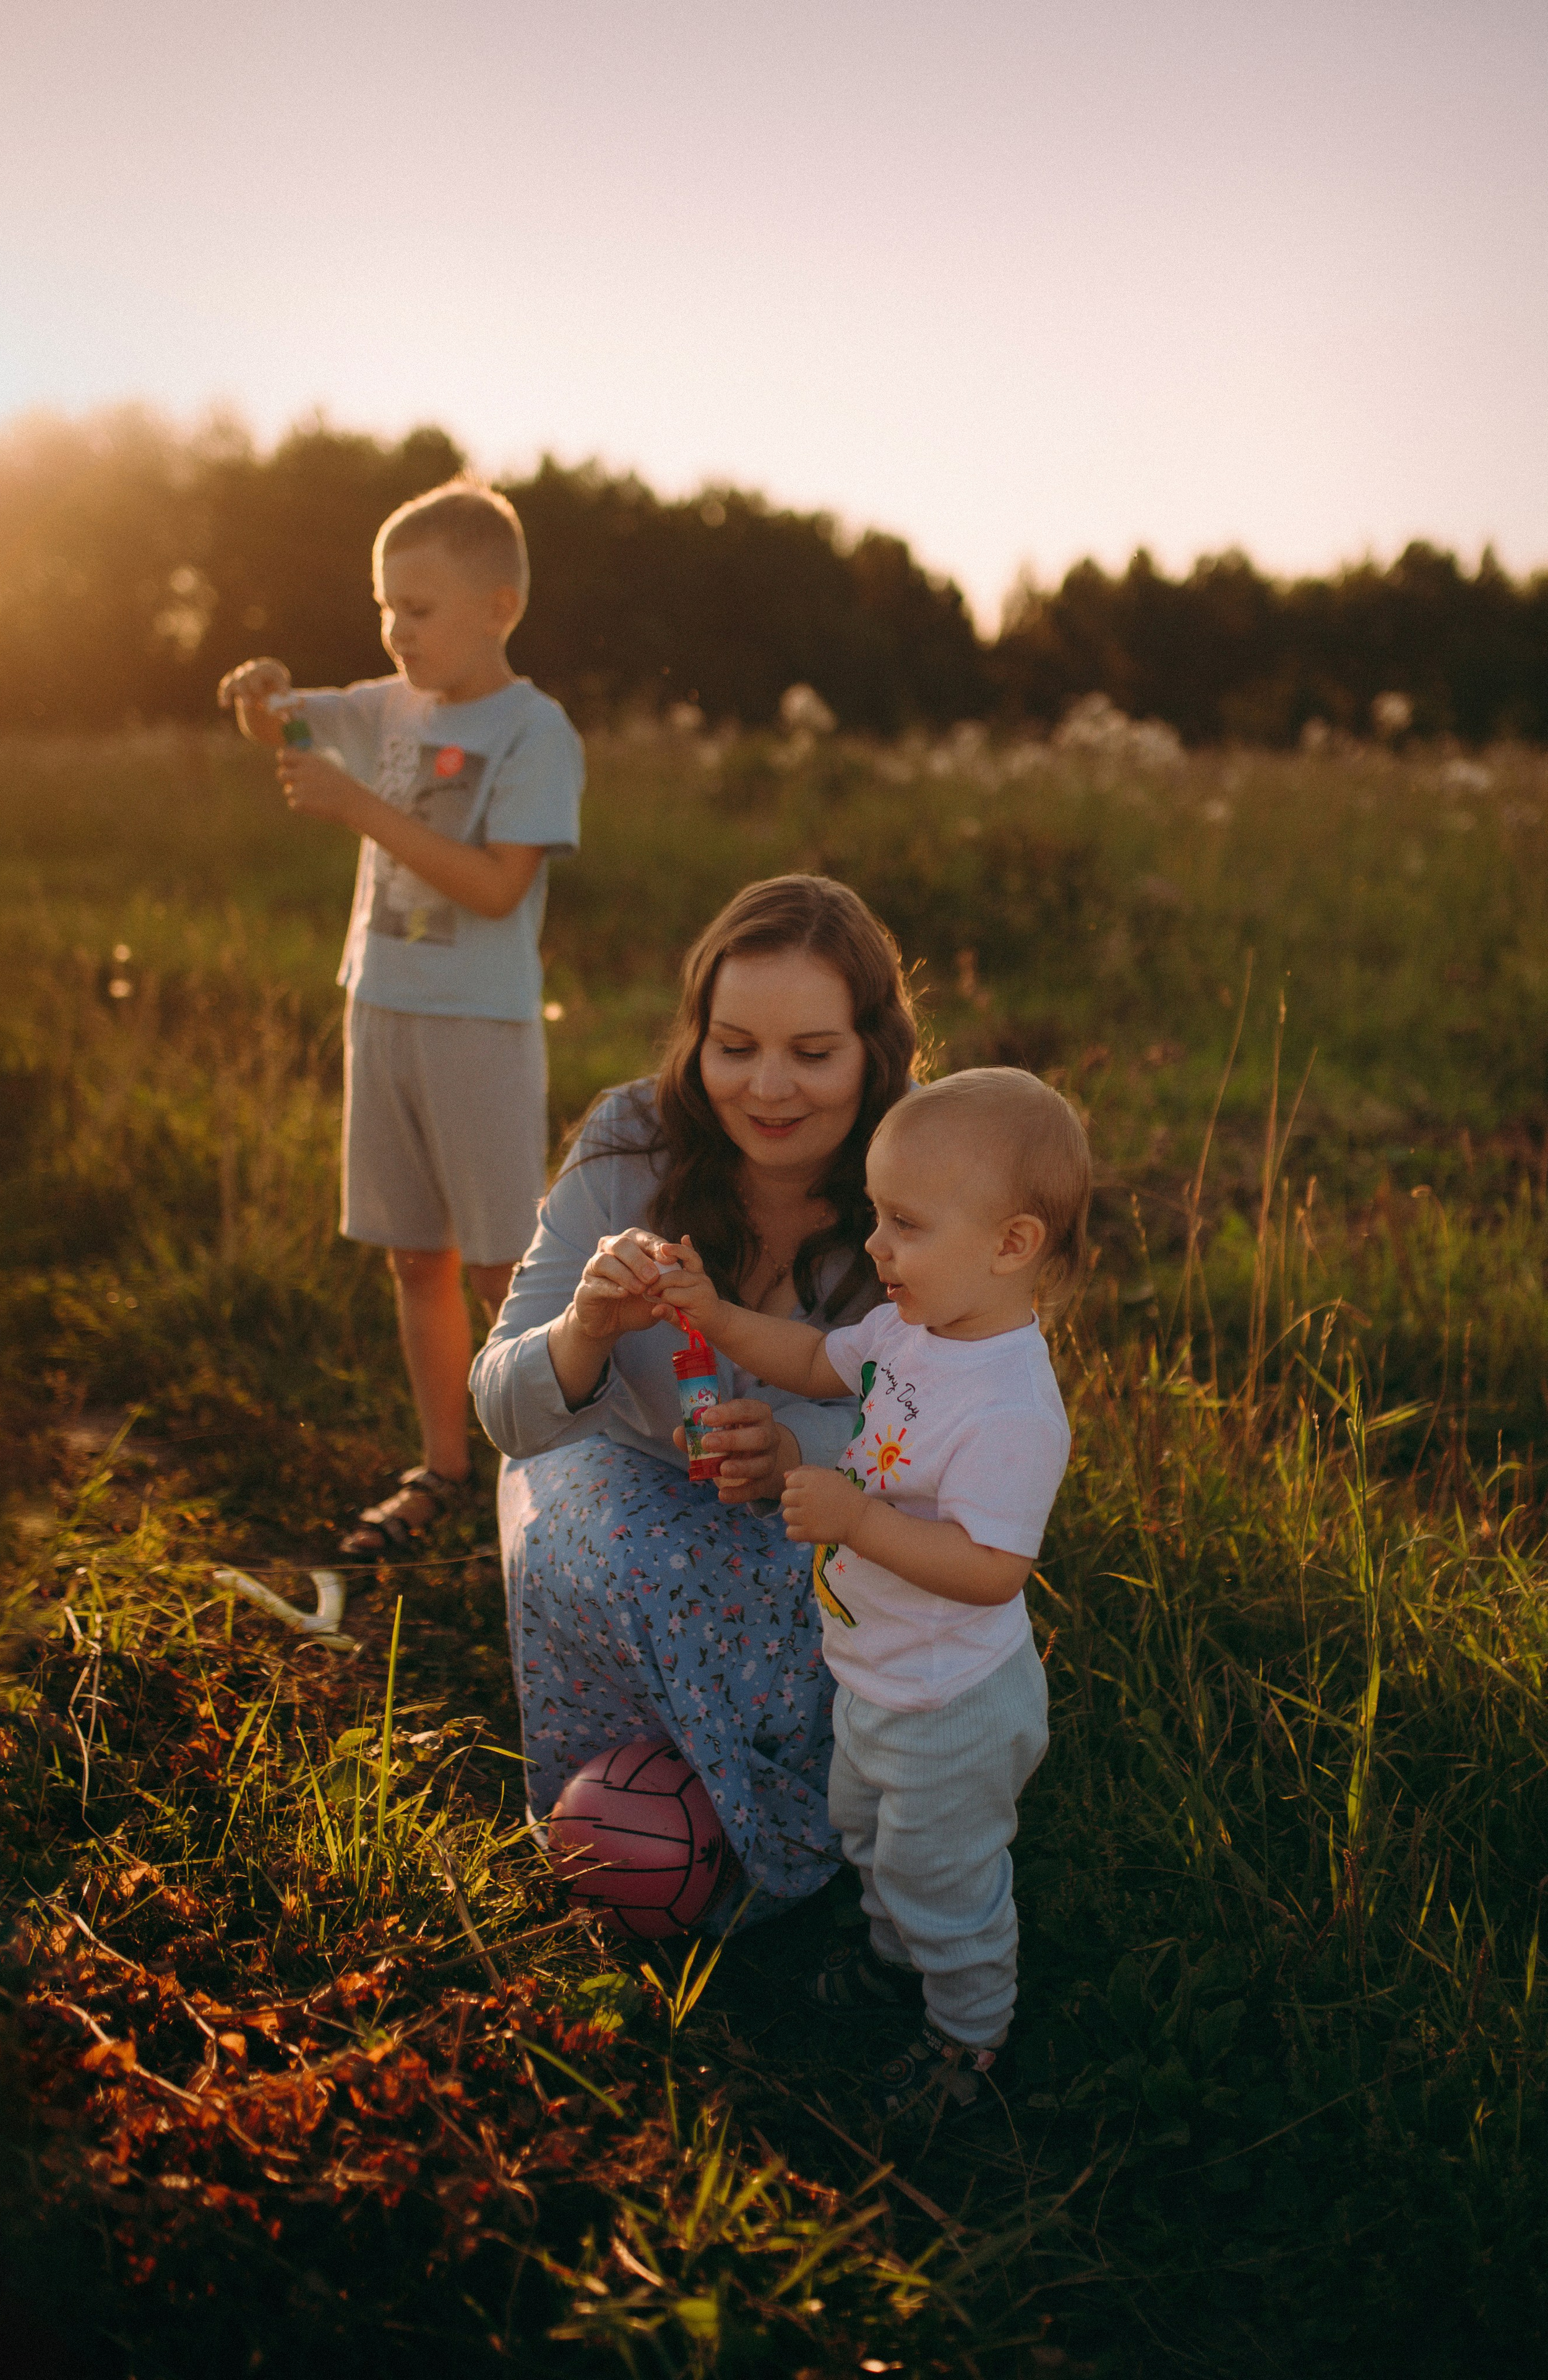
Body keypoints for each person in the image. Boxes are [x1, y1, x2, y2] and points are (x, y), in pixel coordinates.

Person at [634, 1066, 1091, 2120]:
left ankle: (970, 2040)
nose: (876, 1247)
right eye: (878, 1218)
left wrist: (861, 1521)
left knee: (946, 1879)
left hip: (955, 1702)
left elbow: (995, 1571)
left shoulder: (1014, 1407)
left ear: (1010, 1245)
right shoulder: (908, 1330)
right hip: (879, 1675)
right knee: (872, 1838)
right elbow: (806, 1359)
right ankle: (894, 1961)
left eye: (906, 1225)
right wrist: (717, 1312)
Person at [470, 875, 921, 1918]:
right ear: (696, 1041)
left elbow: (955, 1404)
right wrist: (583, 1332)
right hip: (619, 1491)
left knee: (849, 1602)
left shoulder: (917, 1179)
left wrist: (801, 1447)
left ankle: (777, 1854)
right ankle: (633, 1818)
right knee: (615, 1551)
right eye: (735, 1046)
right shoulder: (630, 1143)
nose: (768, 1089)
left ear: (875, 1051)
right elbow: (504, 1408)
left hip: (826, 1513)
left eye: (813, 1053)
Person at [217, 479, 583, 1557]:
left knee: (495, 1264)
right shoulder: (384, 704)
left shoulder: (534, 730)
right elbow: (280, 724)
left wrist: (359, 808)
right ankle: (443, 1463)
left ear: (500, 606)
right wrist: (259, 694)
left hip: (478, 1027)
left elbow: (497, 887)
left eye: (420, 608)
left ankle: (547, 1484)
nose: (396, 629)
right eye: (386, 606)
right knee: (413, 1256)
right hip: (380, 1013)